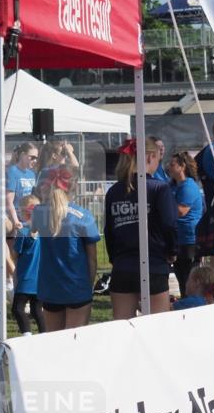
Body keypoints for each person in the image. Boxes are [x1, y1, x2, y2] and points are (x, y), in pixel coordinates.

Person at [104, 138, 177, 319]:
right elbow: (169, 224)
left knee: (122, 326)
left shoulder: (114, 191)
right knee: (159, 327)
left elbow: (109, 231)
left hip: (123, 265)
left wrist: (115, 258)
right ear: (151, 157)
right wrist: (173, 250)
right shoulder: (159, 188)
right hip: (153, 263)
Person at [30, 167, 100, 331]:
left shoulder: (39, 212)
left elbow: (32, 229)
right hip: (77, 286)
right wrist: (88, 287)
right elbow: (92, 259)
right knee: (75, 344)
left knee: (54, 345)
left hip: (50, 287)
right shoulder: (84, 217)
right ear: (73, 186)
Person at [166, 151, 204, 296]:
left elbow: (181, 211)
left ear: (182, 167)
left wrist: (162, 210)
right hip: (178, 238)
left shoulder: (188, 186)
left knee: (190, 278)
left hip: (189, 240)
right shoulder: (172, 186)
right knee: (181, 277)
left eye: (172, 164)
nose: (169, 167)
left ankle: (192, 304)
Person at [11, 194, 45, 336]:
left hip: (26, 277)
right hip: (41, 277)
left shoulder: (23, 232)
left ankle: (26, 335)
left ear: (24, 213)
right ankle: (45, 334)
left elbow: (15, 255)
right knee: (36, 309)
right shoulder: (45, 231)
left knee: (17, 309)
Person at [6, 142, 38, 232]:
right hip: (16, 220)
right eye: (32, 157)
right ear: (23, 155)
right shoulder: (12, 171)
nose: (35, 160)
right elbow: (8, 201)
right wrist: (16, 221)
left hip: (29, 220)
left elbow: (33, 199)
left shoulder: (32, 174)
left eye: (36, 158)